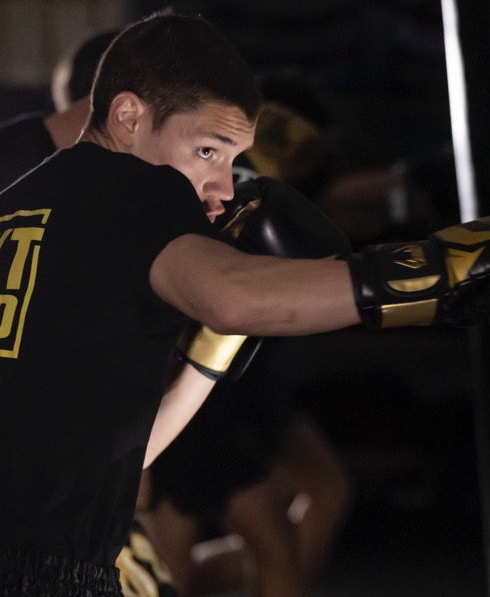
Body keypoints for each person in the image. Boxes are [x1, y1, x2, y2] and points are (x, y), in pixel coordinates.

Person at [0, 12, 490, 596]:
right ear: (128, 116)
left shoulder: (11, 210)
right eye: (206, 150)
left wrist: (209, 355)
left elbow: (116, 449)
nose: (221, 186)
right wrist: (440, 273)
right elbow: (235, 295)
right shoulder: (131, 186)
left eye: (232, 158)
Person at [0, 29, 174, 597]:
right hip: (3, 486)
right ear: (128, 106)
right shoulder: (16, 171)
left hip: (42, 485)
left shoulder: (75, 184)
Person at [139, 84, 355, 597]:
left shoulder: (275, 180)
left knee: (304, 510)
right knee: (192, 559)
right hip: (189, 375)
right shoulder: (197, 174)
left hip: (235, 373)